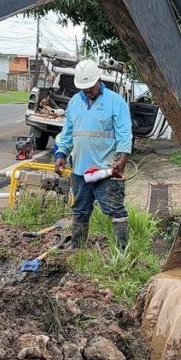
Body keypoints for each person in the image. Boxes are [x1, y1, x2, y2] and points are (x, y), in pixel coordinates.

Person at [54, 59, 133, 251]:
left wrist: (122, 158)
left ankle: (122, 252)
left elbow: (124, 132)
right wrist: (61, 154)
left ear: (98, 80)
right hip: (80, 170)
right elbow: (67, 132)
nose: (87, 91)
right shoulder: (74, 103)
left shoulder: (115, 102)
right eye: (84, 88)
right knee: (80, 210)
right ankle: (77, 247)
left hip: (105, 170)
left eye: (90, 87)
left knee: (115, 210)